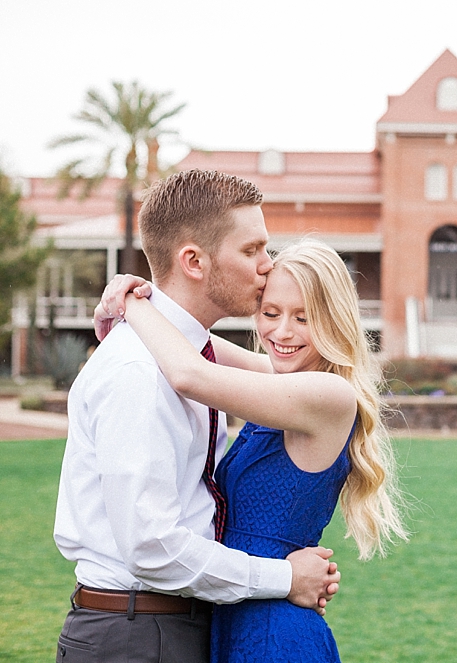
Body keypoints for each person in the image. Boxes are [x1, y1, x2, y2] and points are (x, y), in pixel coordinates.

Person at [54, 170, 341, 663]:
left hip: (179, 623)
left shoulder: (187, 355)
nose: (266, 266)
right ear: (193, 260)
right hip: (141, 635)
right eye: (251, 250)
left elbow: (202, 365)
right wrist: (285, 577)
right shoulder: (141, 372)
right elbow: (152, 548)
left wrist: (134, 303)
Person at [96, 238, 408, 662]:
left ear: (335, 321)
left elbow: (191, 373)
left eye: (304, 317)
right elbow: (195, 343)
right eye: (270, 313)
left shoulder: (330, 395)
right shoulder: (285, 376)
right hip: (237, 613)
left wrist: (132, 303)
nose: (281, 332)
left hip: (274, 632)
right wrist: (138, 306)